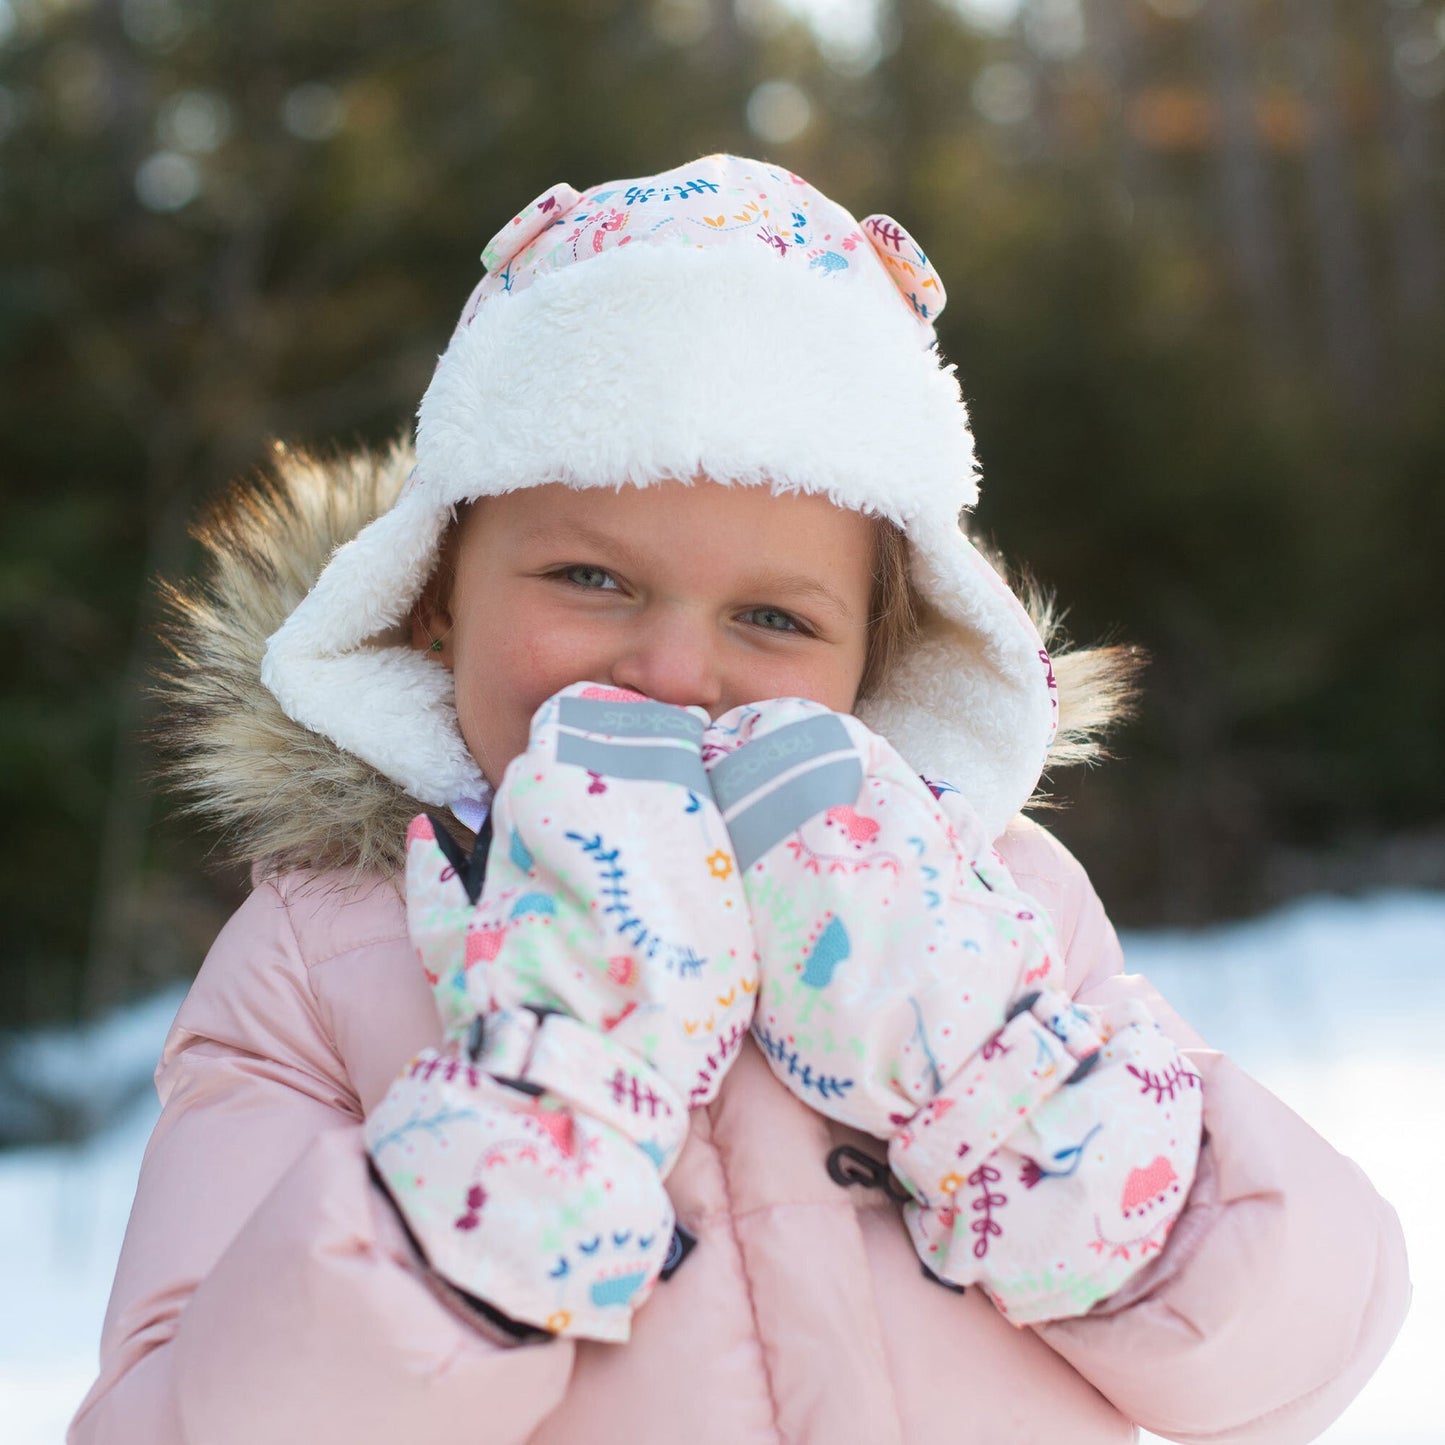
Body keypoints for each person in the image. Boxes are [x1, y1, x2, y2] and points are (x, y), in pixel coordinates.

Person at [71, 154, 1408, 1444]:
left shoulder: (993, 899)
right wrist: (543, 1103)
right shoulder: (325, 955)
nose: (671, 669)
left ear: (875, 662)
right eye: (591, 579)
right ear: (431, 599)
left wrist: (993, 1070)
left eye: (769, 614)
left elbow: (1289, 1356)